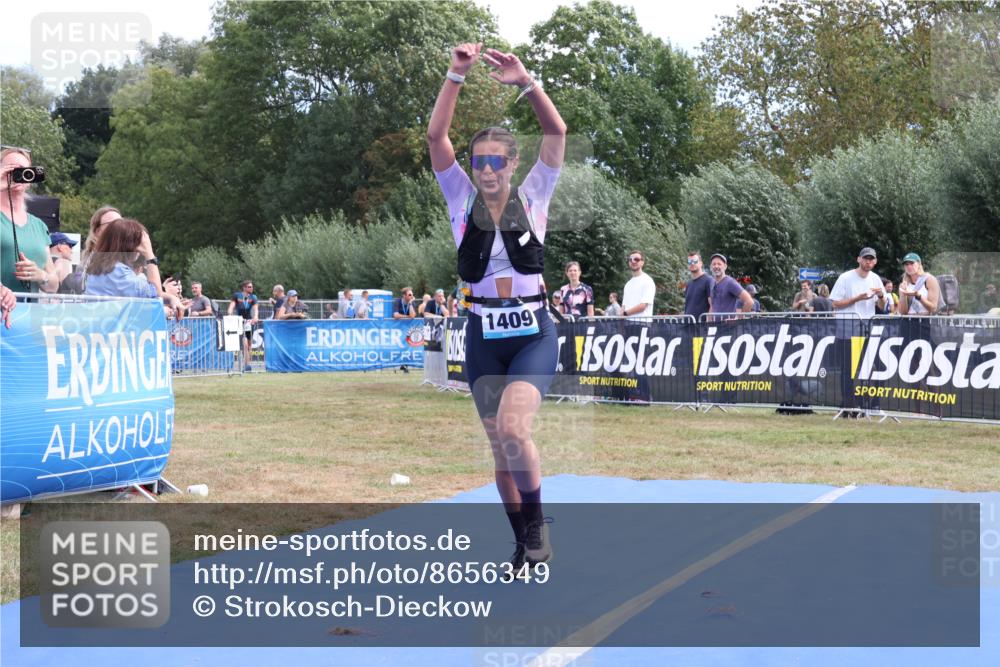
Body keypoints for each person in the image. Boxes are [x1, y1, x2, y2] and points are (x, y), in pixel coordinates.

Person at [428, 42, 566, 570]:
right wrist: (454, 74)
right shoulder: (459, 199)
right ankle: (522, 544)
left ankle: (537, 530)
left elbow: (555, 134)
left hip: (531, 333)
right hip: (483, 336)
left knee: (515, 432)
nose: (486, 170)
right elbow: (436, 136)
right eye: (478, 162)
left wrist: (527, 81)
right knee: (500, 455)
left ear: (511, 164)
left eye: (495, 161)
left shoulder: (534, 196)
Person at [84, 218, 183, 315]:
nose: (140, 250)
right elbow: (156, 294)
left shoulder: (100, 269)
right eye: (138, 243)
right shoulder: (118, 272)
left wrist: (171, 298)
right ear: (126, 244)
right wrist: (150, 255)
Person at [1, 147, 59, 294]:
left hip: (27, 312)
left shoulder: (39, 226)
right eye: (11, 170)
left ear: (31, 177)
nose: (17, 175)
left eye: (23, 171)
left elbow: (53, 285)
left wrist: (40, 275)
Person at [830, 247, 887, 318]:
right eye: (865, 258)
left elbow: (882, 307)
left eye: (871, 259)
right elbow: (834, 304)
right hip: (847, 323)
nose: (868, 262)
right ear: (858, 259)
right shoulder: (845, 277)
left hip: (868, 323)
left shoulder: (875, 278)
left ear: (875, 261)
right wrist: (857, 298)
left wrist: (880, 296)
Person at [228, 280, 259, 372]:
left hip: (249, 322)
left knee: (249, 344)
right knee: (244, 343)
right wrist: (230, 314)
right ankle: (247, 365)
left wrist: (256, 317)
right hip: (239, 321)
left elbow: (256, 309)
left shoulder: (253, 297)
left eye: (252, 286)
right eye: (249, 287)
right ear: (244, 288)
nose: (251, 288)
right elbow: (231, 306)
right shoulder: (237, 295)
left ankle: (247, 364)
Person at [622, 250, 656, 318]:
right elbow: (623, 306)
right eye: (630, 259)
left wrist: (625, 314)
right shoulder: (628, 284)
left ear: (642, 263)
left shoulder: (648, 281)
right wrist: (620, 318)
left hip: (642, 322)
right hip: (627, 323)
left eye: (636, 259)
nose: (633, 261)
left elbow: (643, 306)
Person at [683, 251, 712, 319]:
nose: (692, 263)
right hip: (687, 326)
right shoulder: (689, 284)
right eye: (690, 262)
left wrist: (709, 324)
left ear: (701, 263)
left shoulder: (708, 280)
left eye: (695, 261)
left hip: (702, 326)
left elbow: (712, 305)